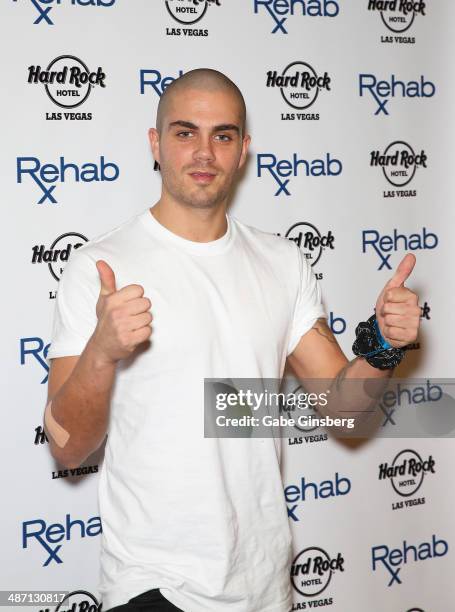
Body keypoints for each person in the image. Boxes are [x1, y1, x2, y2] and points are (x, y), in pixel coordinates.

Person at [44, 68, 420, 612]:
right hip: (155, 587)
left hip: (265, 586)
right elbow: (65, 444)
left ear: (243, 150)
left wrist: (383, 346)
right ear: (155, 143)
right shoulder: (99, 267)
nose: (204, 152)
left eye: (222, 135)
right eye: (183, 133)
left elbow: (345, 412)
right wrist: (102, 351)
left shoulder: (284, 262)